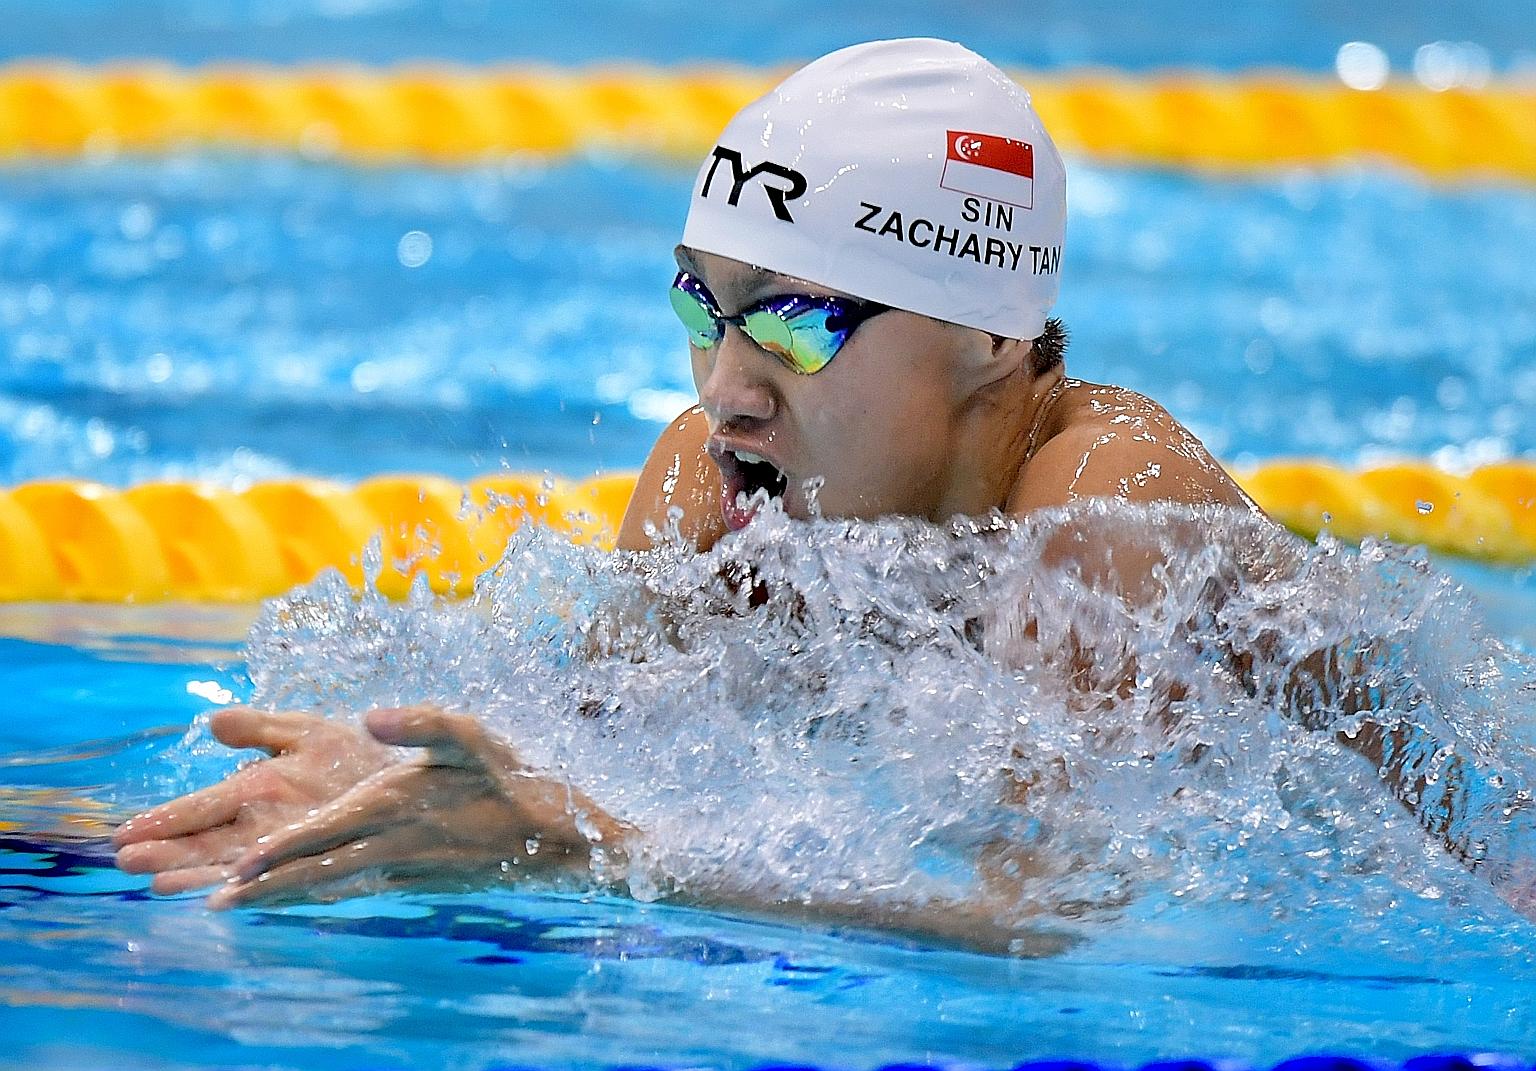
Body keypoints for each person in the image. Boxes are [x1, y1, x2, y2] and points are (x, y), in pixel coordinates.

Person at [112, 39, 1261, 947]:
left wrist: (583, 847)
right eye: (700, 312)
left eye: (795, 324)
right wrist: (411, 790)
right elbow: (579, 765)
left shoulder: (1106, 509)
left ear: (991, 335)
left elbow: (1043, 924)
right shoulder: (719, 487)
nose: (727, 395)